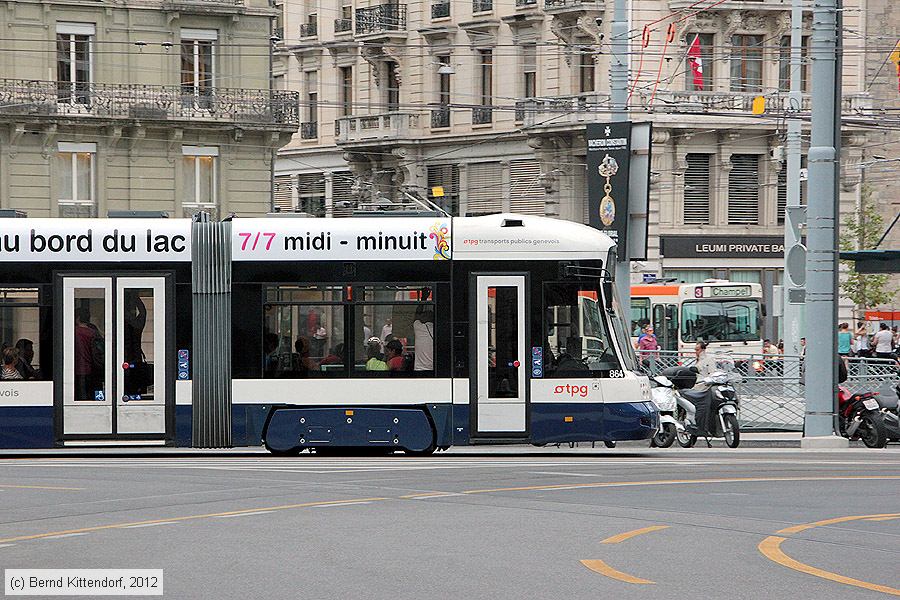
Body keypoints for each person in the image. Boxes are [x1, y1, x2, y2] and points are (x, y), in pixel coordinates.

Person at [74, 307, 99, 400]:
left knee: (81, 398)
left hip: (78, 369)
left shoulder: (74, 332)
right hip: (93, 370)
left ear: (78, 318)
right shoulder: (94, 332)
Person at [413, 305, 434, 372]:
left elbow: (416, 315)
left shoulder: (419, 328)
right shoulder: (437, 330)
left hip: (419, 369)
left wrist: (423, 299)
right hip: (434, 369)